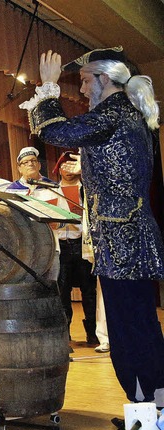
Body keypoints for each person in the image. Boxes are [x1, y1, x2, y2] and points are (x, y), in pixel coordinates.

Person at [20, 46, 164, 410]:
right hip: (127, 236)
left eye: (85, 81)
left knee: (131, 332)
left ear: (104, 79)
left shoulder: (114, 113)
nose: (82, 89)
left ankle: (146, 413)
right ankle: (149, 409)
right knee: (139, 328)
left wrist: (49, 87)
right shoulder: (126, 114)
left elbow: (54, 131)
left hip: (123, 240)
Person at [52, 151, 98, 346]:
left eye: (72, 165)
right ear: (59, 168)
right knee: (62, 292)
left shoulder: (85, 189)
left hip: (82, 245)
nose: (68, 170)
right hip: (62, 246)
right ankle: (65, 334)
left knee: (89, 291)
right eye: (64, 165)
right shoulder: (51, 189)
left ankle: (92, 333)